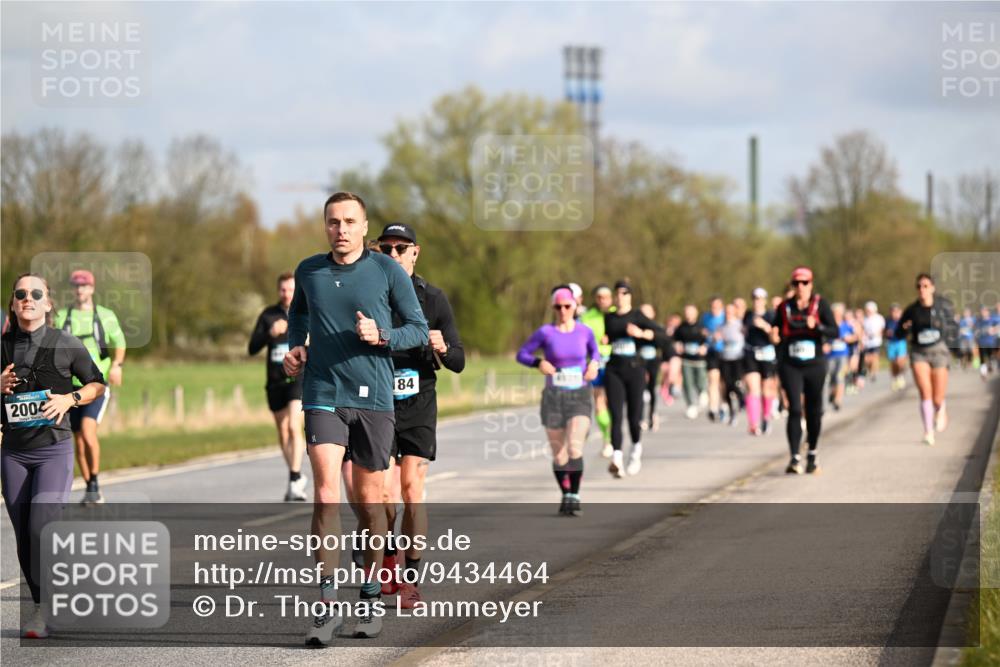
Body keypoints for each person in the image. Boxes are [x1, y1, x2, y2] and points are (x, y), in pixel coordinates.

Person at [283, 192, 429, 644]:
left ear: (365, 227)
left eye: (349, 222)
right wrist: (296, 346)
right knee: (326, 494)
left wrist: (381, 334)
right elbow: (298, 313)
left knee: (370, 505)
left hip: (374, 398)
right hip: (323, 392)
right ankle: (327, 605)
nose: (341, 229)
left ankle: (368, 596)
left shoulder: (386, 270)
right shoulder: (309, 270)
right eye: (333, 222)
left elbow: (418, 330)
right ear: (325, 226)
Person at [2, 274, 107, 638]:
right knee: (24, 537)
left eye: (35, 293)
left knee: (40, 528)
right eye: (20, 293)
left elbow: (97, 384)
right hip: (13, 453)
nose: (27, 298)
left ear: (47, 303)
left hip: (53, 450)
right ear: (13, 303)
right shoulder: (2, 346)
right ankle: (41, 606)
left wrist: (70, 399)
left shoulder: (66, 343)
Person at [372, 222, 464, 608]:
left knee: (411, 490)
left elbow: (458, 360)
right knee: (384, 494)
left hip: (419, 402)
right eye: (387, 248)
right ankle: (387, 560)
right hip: (379, 403)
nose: (393, 254)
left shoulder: (434, 299)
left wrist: (442, 348)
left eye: (401, 248)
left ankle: (410, 577)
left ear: (415, 252)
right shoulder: (371, 294)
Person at [517, 287, 599, 514]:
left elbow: (596, 352)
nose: (563, 310)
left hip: (579, 394)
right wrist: (538, 363)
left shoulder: (585, 331)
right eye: (558, 306)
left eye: (567, 306)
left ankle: (575, 495)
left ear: (575, 306)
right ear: (553, 308)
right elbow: (522, 354)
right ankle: (566, 493)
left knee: (574, 446)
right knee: (559, 453)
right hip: (553, 397)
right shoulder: (546, 332)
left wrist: (594, 364)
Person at [51, 270, 125, 505]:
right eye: (76, 286)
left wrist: (117, 365)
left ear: (92, 288)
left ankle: (94, 481)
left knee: (87, 430)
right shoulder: (63, 317)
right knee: (79, 440)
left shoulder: (104, 316)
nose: (79, 290)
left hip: (95, 385)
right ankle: (91, 486)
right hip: (69, 388)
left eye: (83, 286)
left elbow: (120, 342)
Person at [772, 267, 838, 475]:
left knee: (813, 410)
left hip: (814, 364)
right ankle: (794, 457)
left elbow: (834, 331)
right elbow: (776, 331)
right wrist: (774, 336)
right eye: (796, 283)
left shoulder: (821, 305)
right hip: (791, 364)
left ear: (811, 284)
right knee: (794, 408)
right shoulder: (784, 307)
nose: (800, 287)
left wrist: (817, 326)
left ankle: (812, 453)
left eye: (804, 282)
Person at [248, 272, 307, 501]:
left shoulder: (304, 312)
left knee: (293, 426)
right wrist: (269, 333)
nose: (287, 294)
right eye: (283, 289)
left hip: (297, 379)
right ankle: (296, 476)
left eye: (291, 289)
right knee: (282, 431)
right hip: (275, 381)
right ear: (278, 290)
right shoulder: (268, 315)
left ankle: (294, 478)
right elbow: (252, 348)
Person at [603, 281, 666, 477]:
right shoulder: (609, 317)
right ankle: (617, 459)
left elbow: (661, 333)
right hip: (614, 370)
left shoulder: (638, 316)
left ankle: (635, 451)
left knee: (633, 417)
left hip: (635, 370)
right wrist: (605, 339)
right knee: (616, 415)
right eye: (617, 293)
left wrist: (641, 333)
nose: (620, 297)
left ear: (630, 296)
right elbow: (606, 335)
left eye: (624, 293)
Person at [894, 273, 957, 446]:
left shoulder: (942, 307)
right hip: (919, 352)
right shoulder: (912, 310)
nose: (922, 289)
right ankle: (928, 432)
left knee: (937, 397)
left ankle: (940, 409)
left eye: (925, 286)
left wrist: (955, 348)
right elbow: (898, 333)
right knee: (925, 392)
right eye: (919, 286)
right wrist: (904, 328)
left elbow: (953, 328)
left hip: (939, 351)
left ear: (932, 288)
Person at [580, 285, 614, 457]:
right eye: (599, 297)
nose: (603, 300)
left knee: (613, 402)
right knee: (599, 401)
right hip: (597, 362)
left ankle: (614, 436)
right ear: (595, 299)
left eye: (606, 297)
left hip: (616, 362)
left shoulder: (618, 313)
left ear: (611, 298)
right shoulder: (587, 317)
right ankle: (607, 440)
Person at [742, 287, 778, 436]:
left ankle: (766, 417)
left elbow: (775, 336)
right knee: (753, 387)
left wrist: (765, 326)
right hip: (751, 353)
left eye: (760, 298)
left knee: (766, 388)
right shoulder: (748, 315)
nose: (757, 301)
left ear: (765, 300)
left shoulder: (771, 315)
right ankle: (753, 423)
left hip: (767, 353)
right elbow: (744, 330)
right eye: (755, 298)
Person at [674, 305, 709, 420]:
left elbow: (708, 340)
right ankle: (691, 405)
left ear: (696, 313)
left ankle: (703, 392)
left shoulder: (701, 327)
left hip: (699, 360)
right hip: (686, 360)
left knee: (700, 380)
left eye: (691, 312)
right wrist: (678, 345)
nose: (688, 315)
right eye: (687, 312)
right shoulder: (681, 327)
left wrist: (705, 347)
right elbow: (676, 340)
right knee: (687, 383)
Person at [638, 303, 668, 431]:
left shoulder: (657, 327)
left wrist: (653, 335)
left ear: (653, 313)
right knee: (639, 389)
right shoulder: (636, 328)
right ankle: (640, 418)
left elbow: (665, 342)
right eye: (642, 312)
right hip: (639, 361)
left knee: (651, 389)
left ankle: (652, 415)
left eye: (647, 312)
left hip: (653, 361)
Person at [718, 303, 745, 427]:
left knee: (736, 384)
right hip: (725, 359)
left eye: (730, 311)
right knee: (727, 386)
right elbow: (715, 340)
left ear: (735, 312)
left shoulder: (740, 325)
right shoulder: (721, 326)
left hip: (738, 359)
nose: (728, 314)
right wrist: (715, 338)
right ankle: (732, 412)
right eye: (726, 311)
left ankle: (742, 399)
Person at [826, 303, 856, 412]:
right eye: (835, 313)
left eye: (839, 313)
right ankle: (832, 393)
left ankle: (838, 400)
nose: (837, 315)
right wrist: (826, 344)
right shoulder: (828, 326)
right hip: (829, 357)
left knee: (839, 377)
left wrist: (849, 339)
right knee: (831, 378)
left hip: (843, 356)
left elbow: (855, 337)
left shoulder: (846, 326)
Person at [700, 297, 726, 422]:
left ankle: (724, 405)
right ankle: (713, 408)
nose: (714, 309)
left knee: (723, 382)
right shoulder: (705, 317)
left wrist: (722, 336)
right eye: (712, 306)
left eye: (717, 306)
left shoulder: (726, 316)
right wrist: (705, 336)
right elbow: (702, 332)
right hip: (712, 352)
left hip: (725, 352)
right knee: (713, 379)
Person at [885, 303, 909, 391]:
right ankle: (895, 378)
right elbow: (883, 331)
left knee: (900, 361)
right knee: (893, 363)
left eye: (896, 311)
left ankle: (901, 376)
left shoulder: (903, 321)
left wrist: (905, 328)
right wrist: (886, 333)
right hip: (891, 343)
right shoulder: (887, 321)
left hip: (900, 342)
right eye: (892, 311)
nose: (894, 313)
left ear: (900, 312)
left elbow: (908, 331)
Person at [861, 301, 886, 382]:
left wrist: (877, 334)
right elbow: (862, 330)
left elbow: (882, 329)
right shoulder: (864, 319)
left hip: (876, 342)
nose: (868, 312)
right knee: (866, 359)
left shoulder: (879, 318)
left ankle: (873, 373)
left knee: (874, 358)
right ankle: (870, 369)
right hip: (866, 343)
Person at [975, 305, 998, 379]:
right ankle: (983, 373)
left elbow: (998, 326)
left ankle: (990, 365)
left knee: (990, 356)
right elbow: (976, 331)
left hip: (990, 341)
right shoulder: (979, 321)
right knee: (982, 358)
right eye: (982, 311)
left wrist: (994, 330)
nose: (983, 312)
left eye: (985, 311)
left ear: (988, 312)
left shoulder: (992, 320)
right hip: (982, 341)